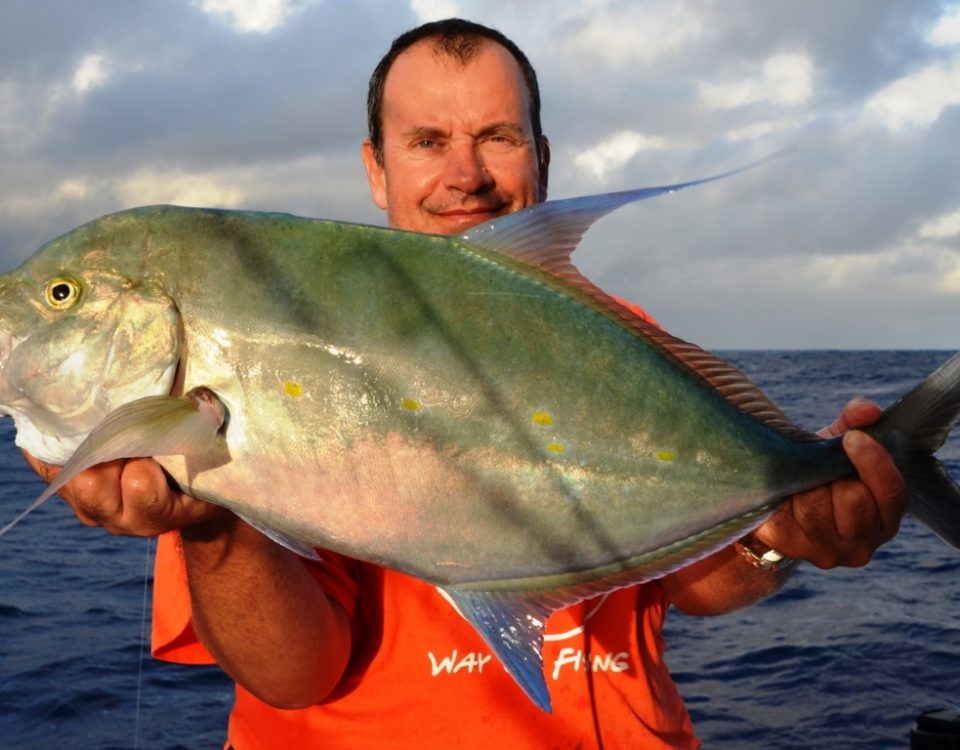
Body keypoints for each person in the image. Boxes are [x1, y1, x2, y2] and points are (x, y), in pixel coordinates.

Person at [25, 18, 908, 750]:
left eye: (497, 137)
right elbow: (295, 675)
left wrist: (782, 534)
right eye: (428, 141)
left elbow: (695, 584)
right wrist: (213, 528)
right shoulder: (258, 342)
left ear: (541, 158)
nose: (466, 175)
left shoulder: (616, 334)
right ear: (377, 168)